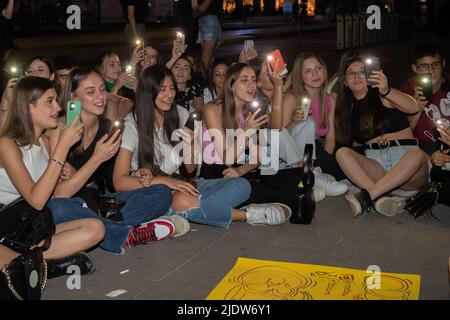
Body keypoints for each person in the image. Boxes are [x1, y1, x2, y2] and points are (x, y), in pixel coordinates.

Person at [113, 64, 289, 227]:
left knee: (241, 185)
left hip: (184, 182)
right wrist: (161, 180)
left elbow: (190, 170)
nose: (169, 95)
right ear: (147, 92)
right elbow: (119, 182)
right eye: (162, 89)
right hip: (152, 190)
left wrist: (189, 146)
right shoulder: (132, 124)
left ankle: (182, 210)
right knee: (177, 198)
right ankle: (248, 215)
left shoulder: (181, 114)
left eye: (172, 88)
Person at [47, 67, 183, 255]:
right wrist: (96, 159)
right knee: (56, 209)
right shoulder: (61, 130)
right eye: (90, 92)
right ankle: (125, 234)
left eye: (103, 90)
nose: (100, 97)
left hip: (101, 203)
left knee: (161, 193)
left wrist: (138, 174)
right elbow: (60, 193)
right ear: (74, 96)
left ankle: (108, 227)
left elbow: (114, 183)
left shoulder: (108, 128)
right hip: (72, 204)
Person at [0, 76, 104, 277]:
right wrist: (63, 147)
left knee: (96, 229)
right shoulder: (7, 145)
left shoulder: (44, 143)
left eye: (57, 100)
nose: (58, 107)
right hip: (6, 226)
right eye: (50, 101)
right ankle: (45, 266)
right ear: (28, 106)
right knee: (10, 266)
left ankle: (32, 263)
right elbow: (37, 200)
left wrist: (68, 171)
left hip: (29, 227)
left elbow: (54, 194)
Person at [334, 53, 430, 217]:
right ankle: (382, 198)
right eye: (351, 73)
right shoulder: (346, 108)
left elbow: (413, 107)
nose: (357, 76)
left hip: (407, 164)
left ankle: (369, 196)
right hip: (376, 163)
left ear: (371, 74)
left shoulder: (383, 95)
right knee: (342, 153)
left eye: (362, 72)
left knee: (417, 155)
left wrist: (386, 90)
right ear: (345, 81)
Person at [282, 52, 348, 197]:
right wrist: (294, 121)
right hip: (291, 150)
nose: (315, 74)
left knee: (340, 165)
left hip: (314, 149)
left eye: (318, 68)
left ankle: (314, 175)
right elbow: (280, 136)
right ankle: (312, 173)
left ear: (324, 70)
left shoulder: (329, 99)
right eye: (308, 71)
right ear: (300, 76)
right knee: (308, 123)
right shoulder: (291, 97)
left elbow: (330, 137)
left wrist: (326, 161)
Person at [400, 42, 450, 162]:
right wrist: (416, 108)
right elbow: (402, 137)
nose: (431, 72)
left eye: (435, 65)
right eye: (424, 66)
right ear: (415, 68)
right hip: (423, 149)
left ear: (443, 64)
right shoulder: (406, 92)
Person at [191, 0, 222, 70]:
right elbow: (196, 11)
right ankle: (208, 79)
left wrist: (197, 10)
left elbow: (201, 8)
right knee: (208, 62)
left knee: (204, 64)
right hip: (203, 23)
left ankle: (204, 80)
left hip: (210, 22)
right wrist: (197, 10)